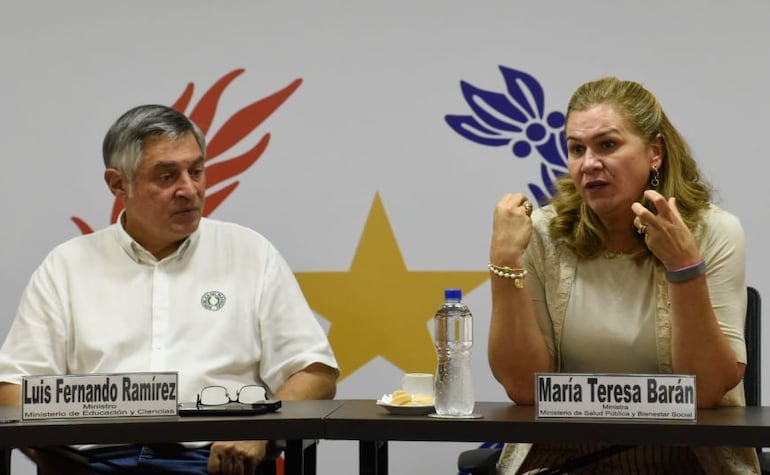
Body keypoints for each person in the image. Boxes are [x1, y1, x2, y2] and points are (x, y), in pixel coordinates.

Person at [0, 104, 339, 474]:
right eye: (166, 176)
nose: (189, 190)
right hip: (95, 461)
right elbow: (12, 388)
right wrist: (54, 446)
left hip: (213, 461)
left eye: (196, 171)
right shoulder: (65, 266)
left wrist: (260, 429)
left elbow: (313, 373)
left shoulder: (250, 254)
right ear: (118, 184)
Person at [487, 77, 759, 474]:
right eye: (576, 149)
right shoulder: (543, 233)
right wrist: (505, 262)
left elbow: (708, 390)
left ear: (655, 152)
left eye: (608, 145)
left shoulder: (713, 232)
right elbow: (524, 388)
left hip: (687, 459)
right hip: (564, 457)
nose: (589, 163)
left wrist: (685, 267)